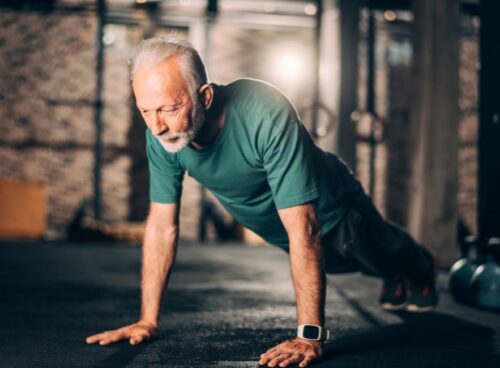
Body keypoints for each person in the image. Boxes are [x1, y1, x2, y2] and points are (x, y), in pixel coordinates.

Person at [86, 36, 438, 368]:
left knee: (373, 250)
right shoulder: (163, 139)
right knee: (342, 267)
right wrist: (148, 320)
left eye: (170, 108)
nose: (158, 126)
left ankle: (421, 267)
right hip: (283, 231)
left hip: (332, 208)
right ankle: (393, 275)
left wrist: (309, 336)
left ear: (205, 96)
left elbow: (306, 226)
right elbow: (162, 226)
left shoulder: (263, 111)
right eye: (146, 111)